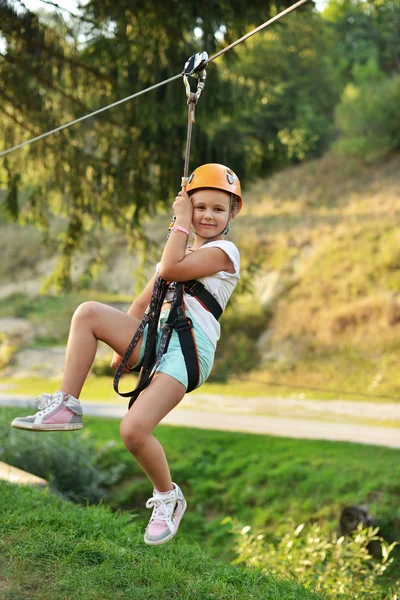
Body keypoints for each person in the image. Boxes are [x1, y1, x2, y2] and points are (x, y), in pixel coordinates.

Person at [11, 163, 242, 546]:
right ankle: (67, 404)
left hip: (187, 352)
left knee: (133, 431)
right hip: (158, 336)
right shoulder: (182, 248)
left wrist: (180, 220)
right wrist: (126, 348)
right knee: (88, 312)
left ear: (232, 214)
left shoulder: (224, 252)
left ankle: (168, 497)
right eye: (200, 206)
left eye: (218, 209)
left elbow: (170, 267)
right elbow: (142, 302)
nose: (207, 215)